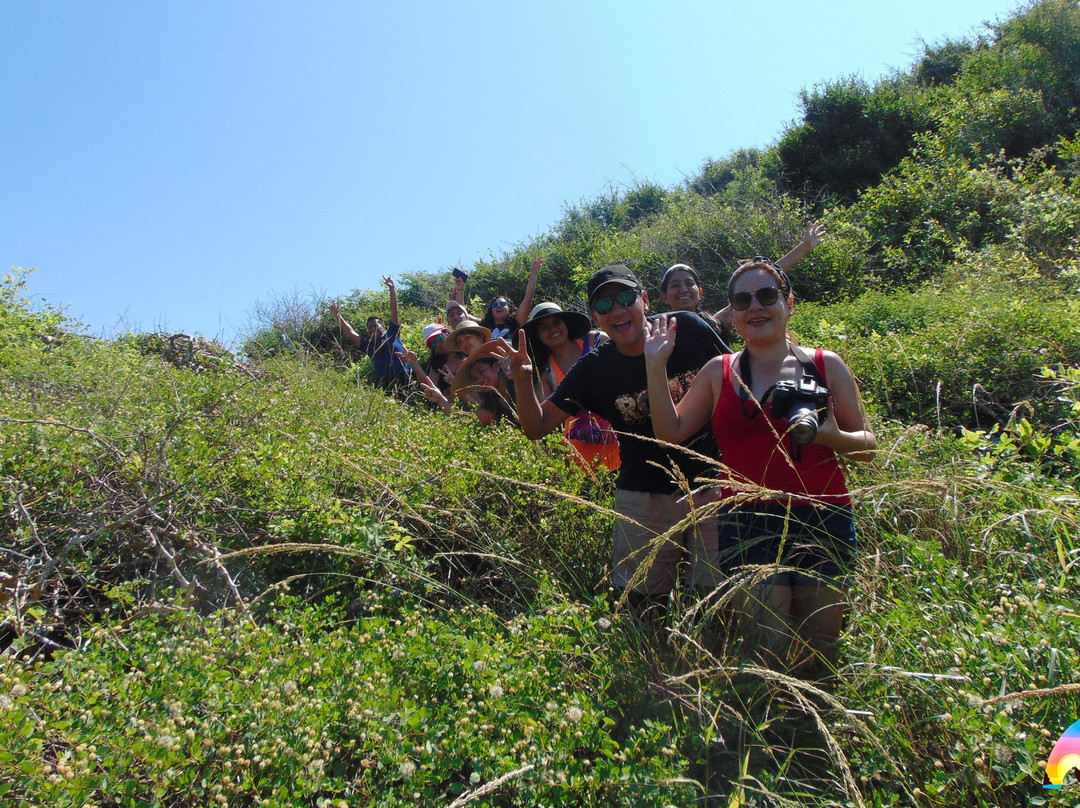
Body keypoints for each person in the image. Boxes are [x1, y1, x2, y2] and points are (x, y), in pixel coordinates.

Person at [643, 257, 876, 674]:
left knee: (821, 644)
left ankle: (815, 723)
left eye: (767, 295)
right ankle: (773, 725)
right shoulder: (720, 371)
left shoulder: (826, 365)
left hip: (823, 514)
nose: (755, 307)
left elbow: (867, 448)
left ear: (789, 302)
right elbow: (670, 433)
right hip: (747, 521)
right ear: (731, 313)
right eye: (742, 299)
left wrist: (828, 436)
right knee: (767, 644)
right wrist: (655, 366)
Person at [496, 265, 730, 619]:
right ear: (595, 318)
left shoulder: (689, 329)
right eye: (604, 306)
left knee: (716, 600)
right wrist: (524, 380)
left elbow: (738, 381)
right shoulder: (593, 369)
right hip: (643, 494)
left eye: (624, 298)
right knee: (641, 605)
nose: (617, 311)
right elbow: (537, 426)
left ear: (645, 300)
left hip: (712, 484)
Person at [660, 221, 826, 342]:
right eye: (675, 285)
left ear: (700, 292)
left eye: (689, 283)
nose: (684, 289)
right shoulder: (656, 334)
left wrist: (805, 247)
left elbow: (764, 278)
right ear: (664, 297)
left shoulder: (714, 324)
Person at [521, 302, 619, 473]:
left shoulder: (597, 341)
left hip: (624, 448)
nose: (552, 329)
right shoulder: (546, 373)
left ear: (566, 324)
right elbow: (540, 422)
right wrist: (520, 379)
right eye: (544, 326)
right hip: (581, 463)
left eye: (557, 322)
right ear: (537, 335)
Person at [329, 275, 411, 393]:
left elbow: (394, 310)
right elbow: (350, 331)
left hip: (405, 377)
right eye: (370, 327)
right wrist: (337, 316)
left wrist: (392, 289)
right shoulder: (368, 346)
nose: (372, 329)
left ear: (383, 327)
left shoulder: (392, 334)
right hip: (386, 384)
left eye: (375, 325)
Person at [450, 342, 519, 426]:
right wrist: (440, 399)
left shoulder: (516, 381)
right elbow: (479, 421)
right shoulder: (490, 397)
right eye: (474, 378)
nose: (479, 380)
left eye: (482, 371)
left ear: (496, 366)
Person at [478, 257, 542, 343]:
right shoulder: (484, 326)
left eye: (503, 304)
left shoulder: (515, 323)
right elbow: (462, 315)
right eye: (495, 305)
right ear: (491, 311)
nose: (499, 306)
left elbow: (528, 299)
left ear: (509, 309)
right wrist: (460, 290)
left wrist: (533, 274)